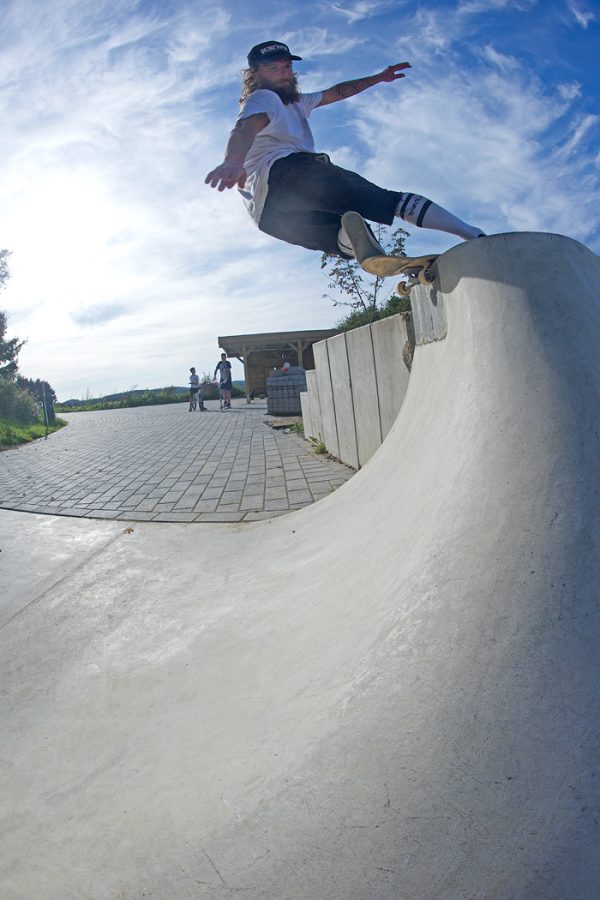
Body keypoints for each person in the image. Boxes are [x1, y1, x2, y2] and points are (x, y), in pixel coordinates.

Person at [205, 41, 485, 274]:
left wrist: (377, 78)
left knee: (336, 239)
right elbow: (244, 129)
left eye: (287, 67)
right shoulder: (263, 98)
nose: (284, 74)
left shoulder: (298, 102)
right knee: (389, 200)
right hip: (290, 174)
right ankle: (472, 234)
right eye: (274, 68)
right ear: (256, 74)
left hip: (269, 214)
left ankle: (352, 241)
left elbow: (335, 92)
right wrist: (233, 161)